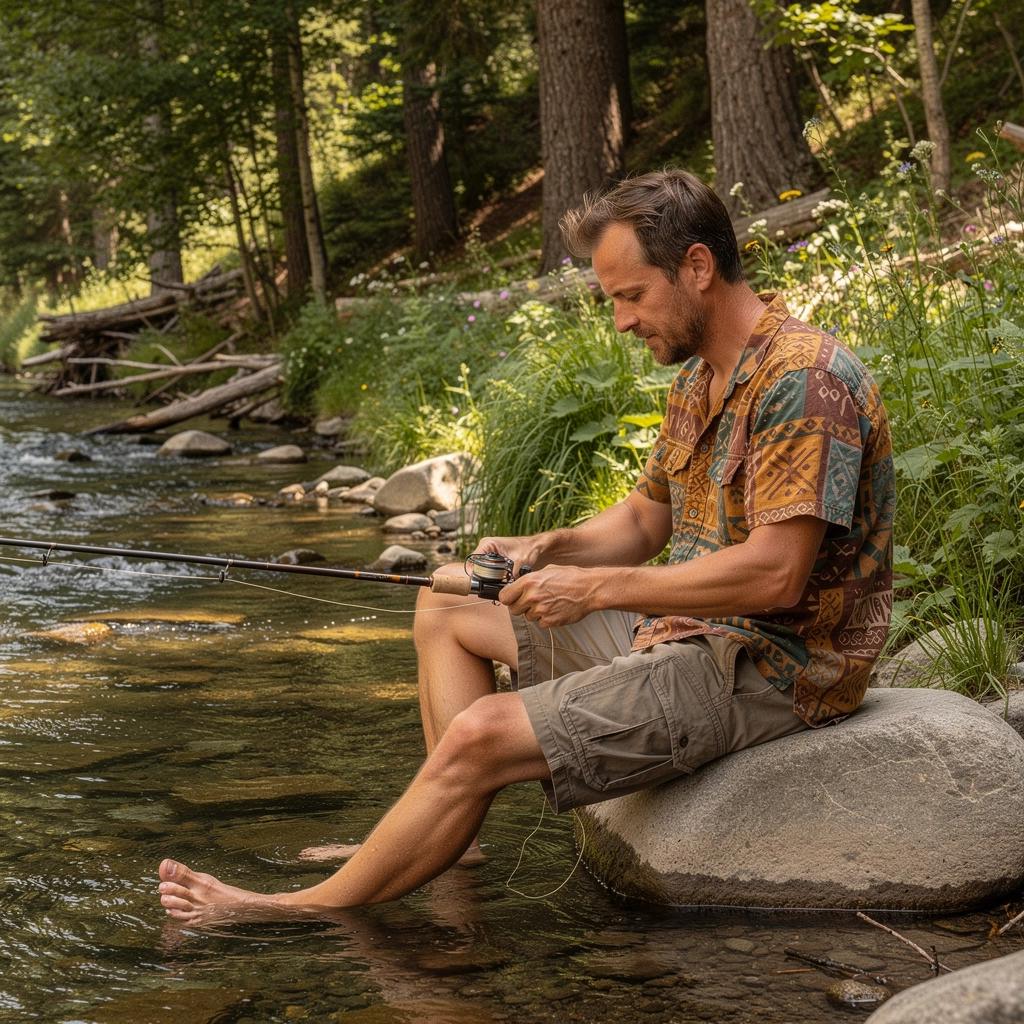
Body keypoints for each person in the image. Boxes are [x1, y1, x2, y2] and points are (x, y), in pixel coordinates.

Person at [157, 170, 894, 923]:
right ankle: (453, 838)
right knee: (444, 602)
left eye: (632, 296)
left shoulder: (802, 381)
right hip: (689, 632)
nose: (621, 321)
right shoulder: (701, 379)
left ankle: (291, 909)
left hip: (772, 668)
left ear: (697, 267)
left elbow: (775, 574)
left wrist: (596, 589)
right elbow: (644, 520)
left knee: (479, 734)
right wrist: (549, 548)